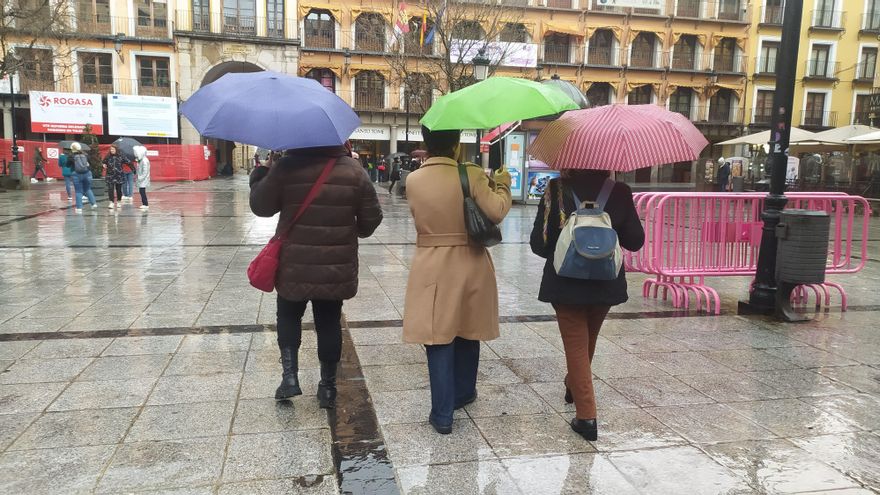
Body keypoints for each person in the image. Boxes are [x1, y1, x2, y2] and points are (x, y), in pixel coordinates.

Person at [249, 144, 382, 409]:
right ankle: (328, 388)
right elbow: (371, 220)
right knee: (329, 322)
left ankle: (289, 378)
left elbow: (261, 207)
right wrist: (349, 229)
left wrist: (262, 172)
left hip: (293, 264)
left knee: (288, 315)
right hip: (334, 268)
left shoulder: (287, 167)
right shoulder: (354, 171)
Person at [403, 126, 512, 434]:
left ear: (426, 142)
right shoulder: (472, 173)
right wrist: (502, 185)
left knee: (438, 335)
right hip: (471, 260)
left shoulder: (414, 180)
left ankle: (442, 414)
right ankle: (464, 392)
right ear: (455, 145)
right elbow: (496, 210)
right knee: (469, 327)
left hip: (431, 262)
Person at [529, 170, 644, 441]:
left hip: (565, 283)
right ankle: (573, 384)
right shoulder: (620, 192)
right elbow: (635, 241)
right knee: (586, 341)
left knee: (577, 345)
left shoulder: (555, 190)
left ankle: (586, 416)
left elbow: (539, 244)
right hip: (606, 281)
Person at [70, 143, 97, 213]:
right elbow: (91, 164)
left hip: (76, 175)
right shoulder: (86, 155)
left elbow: (67, 165)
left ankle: (79, 208)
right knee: (87, 189)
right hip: (87, 174)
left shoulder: (71, 156)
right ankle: (93, 204)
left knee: (78, 191)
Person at [102, 145, 126, 210]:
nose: (112, 150)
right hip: (110, 176)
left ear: (116, 150)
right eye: (111, 149)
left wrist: (133, 168)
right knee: (110, 189)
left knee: (118, 190)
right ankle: (111, 202)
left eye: (113, 149)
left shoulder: (120, 156)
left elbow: (127, 161)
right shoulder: (108, 156)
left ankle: (118, 201)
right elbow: (103, 162)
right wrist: (103, 164)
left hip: (119, 175)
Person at [133, 146, 151, 211]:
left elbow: (145, 171)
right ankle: (144, 203)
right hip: (141, 179)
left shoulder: (144, 161)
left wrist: (140, 178)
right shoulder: (141, 160)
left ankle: (145, 204)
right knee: (141, 191)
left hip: (143, 179)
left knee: (142, 191)